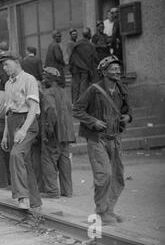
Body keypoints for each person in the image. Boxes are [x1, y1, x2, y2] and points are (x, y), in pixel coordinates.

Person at [73, 56, 132, 225]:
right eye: (113, 69)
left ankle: (109, 210)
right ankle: (100, 212)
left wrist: (127, 117)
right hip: (97, 139)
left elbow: (128, 111)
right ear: (104, 72)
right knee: (104, 175)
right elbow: (76, 109)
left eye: (118, 69)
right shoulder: (94, 89)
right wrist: (93, 121)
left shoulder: (122, 89)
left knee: (118, 177)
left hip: (115, 139)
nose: (117, 71)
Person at [0, 52, 42, 210]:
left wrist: (23, 130)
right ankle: (36, 203)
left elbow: (33, 108)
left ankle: (22, 197)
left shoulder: (29, 79)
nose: (4, 68)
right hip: (12, 122)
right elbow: (8, 111)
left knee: (16, 155)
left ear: (17, 62)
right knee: (25, 162)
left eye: (7, 64)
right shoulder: (8, 84)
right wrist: (5, 135)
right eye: (3, 66)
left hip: (27, 122)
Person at [40, 68, 76, 198]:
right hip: (66, 134)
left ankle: (52, 191)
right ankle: (67, 191)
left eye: (45, 76)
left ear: (50, 78)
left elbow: (51, 111)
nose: (43, 78)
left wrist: (48, 130)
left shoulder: (48, 93)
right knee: (64, 161)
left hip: (54, 133)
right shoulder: (64, 92)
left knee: (48, 160)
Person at [69, 28, 98, 103]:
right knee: (83, 88)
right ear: (89, 35)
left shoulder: (77, 44)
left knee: (75, 87)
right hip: (85, 69)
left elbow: (71, 57)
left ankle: (75, 103)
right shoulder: (91, 45)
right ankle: (82, 104)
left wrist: (71, 68)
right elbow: (95, 59)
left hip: (76, 69)